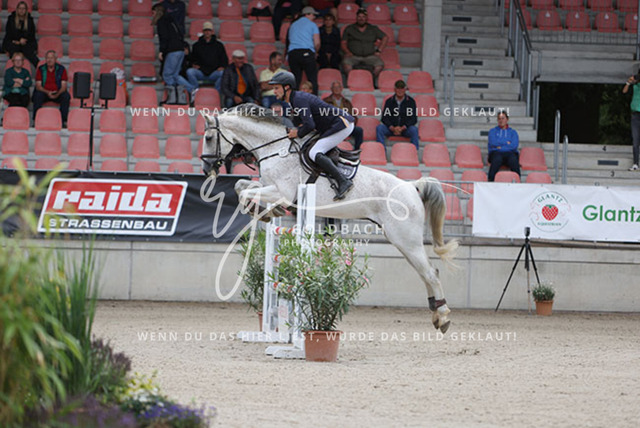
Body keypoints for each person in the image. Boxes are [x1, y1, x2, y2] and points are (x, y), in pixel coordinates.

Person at [269, 71, 356, 200]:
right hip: (331, 125)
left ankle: (343, 181)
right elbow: (300, 122)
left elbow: (309, 125)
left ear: (286, 87)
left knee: (314, 152)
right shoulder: (293, 100)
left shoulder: (298, 99)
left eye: (276, 88)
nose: (274, 91)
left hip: (342, 124)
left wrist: (297, 132)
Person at [341, 8, 388, 84]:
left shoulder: (373, 28)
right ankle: (352, 82)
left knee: (379, 65)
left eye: (363, 17)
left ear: (366, 18)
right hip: (353, 56)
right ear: (356, 17)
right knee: (346, 64)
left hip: (370, 56)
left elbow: (385, 37)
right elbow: (343, 43)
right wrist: (347, 52)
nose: (361, 19)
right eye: (359, 16)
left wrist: (379, 50)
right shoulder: (349, 28)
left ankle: (369, 81)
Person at [153, 2, 187, 105]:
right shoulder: (172, 20)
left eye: (153, 12)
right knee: (175, 75)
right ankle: (180, 98)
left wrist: (162, 51)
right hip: (180, 49)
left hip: (172, 50)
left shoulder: (161, 22)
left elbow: (164, 38)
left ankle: (172, 98)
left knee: (167, 74)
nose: (153, 15)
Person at [185, 21, 228, 98]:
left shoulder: (219, 45)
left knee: (223, 73)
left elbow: (224, 59)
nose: (207, 32)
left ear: (212, 32)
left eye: (209, 30)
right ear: (203, 32)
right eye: (206, 30)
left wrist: (222, 66)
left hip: (214, 72)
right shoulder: (196, 45)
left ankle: (215, 95)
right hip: (201, 72)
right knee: (190, 72)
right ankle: (195, 93)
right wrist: (193, 64)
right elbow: (192, 59)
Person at [286, 6, 320, 95]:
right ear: (307, 14)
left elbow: (289, 41)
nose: (314, 17)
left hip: (293, 54)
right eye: (313, 15)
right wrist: (316, 52)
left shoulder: (293, 25)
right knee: (312, 79)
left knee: (295, 80)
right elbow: (317, 43)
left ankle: (293, 101)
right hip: (306, 53)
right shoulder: (312, 25)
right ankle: (314, 101)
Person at [376, 80, 419, 149]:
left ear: (405, 89)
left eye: (402, 88)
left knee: (414, 130)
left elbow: (413, 119)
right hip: (391, 128)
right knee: (380, 128)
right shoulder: (389, 101)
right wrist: (392, 128)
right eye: (398, 88)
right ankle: (381, 151)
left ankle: (414, 151)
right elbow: (384, 117)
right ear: (394, 89)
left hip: (405, 129)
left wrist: (403, 128)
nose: (400, 91)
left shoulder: (411, 102)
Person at [32, 50, 70, 127]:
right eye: (47, 58)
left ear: (55, 59)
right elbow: (38, 86)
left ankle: (63, 121)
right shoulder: (41, 69)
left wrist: (57, 94)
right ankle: (36, 120)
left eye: (51, 58)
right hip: (44, 92)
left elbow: (64, 87)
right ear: (45, 59)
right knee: (37, 95)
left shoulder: (61, 69)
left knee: (66, 96)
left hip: (57, 92)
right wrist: (47, 92)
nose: (49, 60)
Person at [323, 80, 363, 149]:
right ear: (331, 89)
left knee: (359, 130)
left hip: (345, 125)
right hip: (332, 126)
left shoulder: (347, 102)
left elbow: (354, 116)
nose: (336, 89)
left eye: (338, 87)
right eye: (335, 87)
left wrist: (350, 125)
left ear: (341, 89)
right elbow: (323, 115)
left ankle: (356, 151)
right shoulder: (326, 101)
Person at [2, 1, 38, 69]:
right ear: (17, 9)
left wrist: (23, 41)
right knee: (14, 51)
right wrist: (18, 41)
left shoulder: (30, 20)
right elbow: (9, 33)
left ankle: (41, 70)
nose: (21, 10)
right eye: (20, 8)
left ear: (26, 10)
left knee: (30, 53)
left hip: (26, 42)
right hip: (13, 42)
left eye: (23, 8)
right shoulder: (11, 19)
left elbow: (31, 35)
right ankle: (13, 71)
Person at [487, 111, 521, 182]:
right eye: (499, 119)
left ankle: (518, 181)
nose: (501, 120)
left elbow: (514, 145)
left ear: (507, 119)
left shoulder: (513, 132)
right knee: (497, 159)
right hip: (496, 153)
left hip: (509, 153)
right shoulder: (492, 131)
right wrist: (507, 143)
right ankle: (490, 181)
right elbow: (493, 143)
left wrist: (500, 146)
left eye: (503, 118)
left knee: (513, 160)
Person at [623, 71, 640, 171]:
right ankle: (635, 163)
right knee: (635, 139)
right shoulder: (635, 85)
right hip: (635, 115)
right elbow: (624, 91)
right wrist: (628, 82)